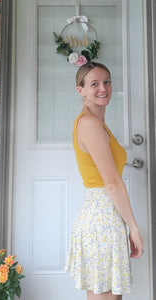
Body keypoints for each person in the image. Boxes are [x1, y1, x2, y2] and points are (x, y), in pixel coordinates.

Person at [65, 62, 143, 300]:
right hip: (101, 220)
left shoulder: (97, 123)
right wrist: (134, 227)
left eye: (106, 81)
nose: (103, 88)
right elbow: (111, 183)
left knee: (110, 296)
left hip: (105, 216)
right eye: (94, 84)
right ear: (81, 91)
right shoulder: (89, 123)